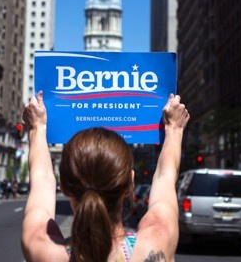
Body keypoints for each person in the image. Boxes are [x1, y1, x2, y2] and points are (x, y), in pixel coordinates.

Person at [21, 91, 189, 262]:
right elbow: (165, 176)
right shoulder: (157, 241)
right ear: (130, 184)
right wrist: (174, 128)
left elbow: (41, 179)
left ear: (63, 187)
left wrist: (37, 127)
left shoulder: (42, 249)